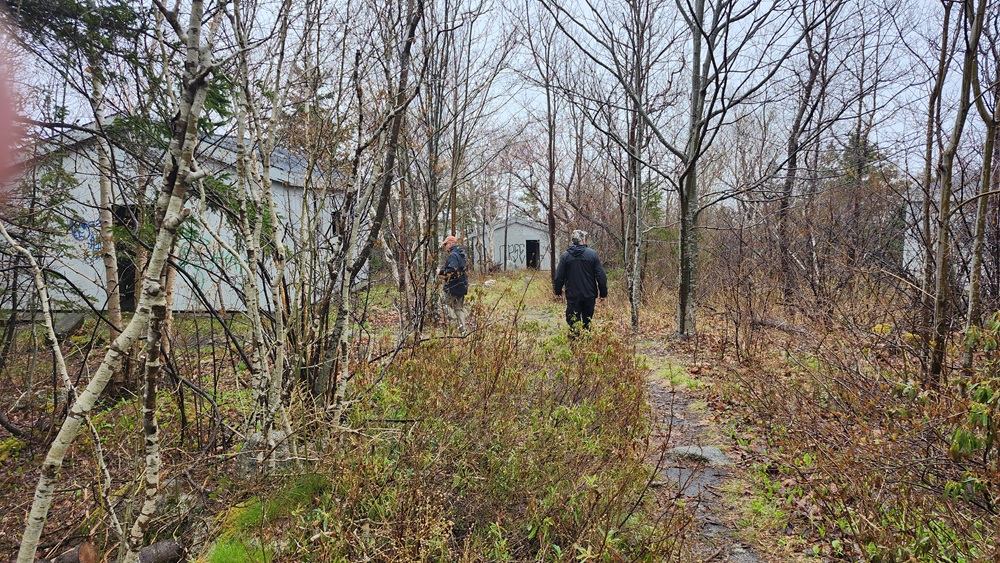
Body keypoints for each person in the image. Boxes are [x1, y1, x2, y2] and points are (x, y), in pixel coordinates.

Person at [553, 229, 607, 334]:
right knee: (587, 322)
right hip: (589, 295)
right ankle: (586, 340)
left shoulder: (565, 256)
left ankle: (575, 341)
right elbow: (601, 276)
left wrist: (558, 291)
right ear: (582, 240)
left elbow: (559, 276)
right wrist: (603, 293)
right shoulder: (592, 255)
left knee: (573, 323)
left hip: (573, 295)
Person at [437, 234, 469, 329]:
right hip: (463, 285)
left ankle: (454, 322)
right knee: (459, 308)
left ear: (451, 243)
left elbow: (452, 270)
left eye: (446, 244)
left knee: (442, 303)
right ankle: (462, 329)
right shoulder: (462, 254)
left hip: (453, 286)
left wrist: (441, 272)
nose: (445, 246)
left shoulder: (453, 255)